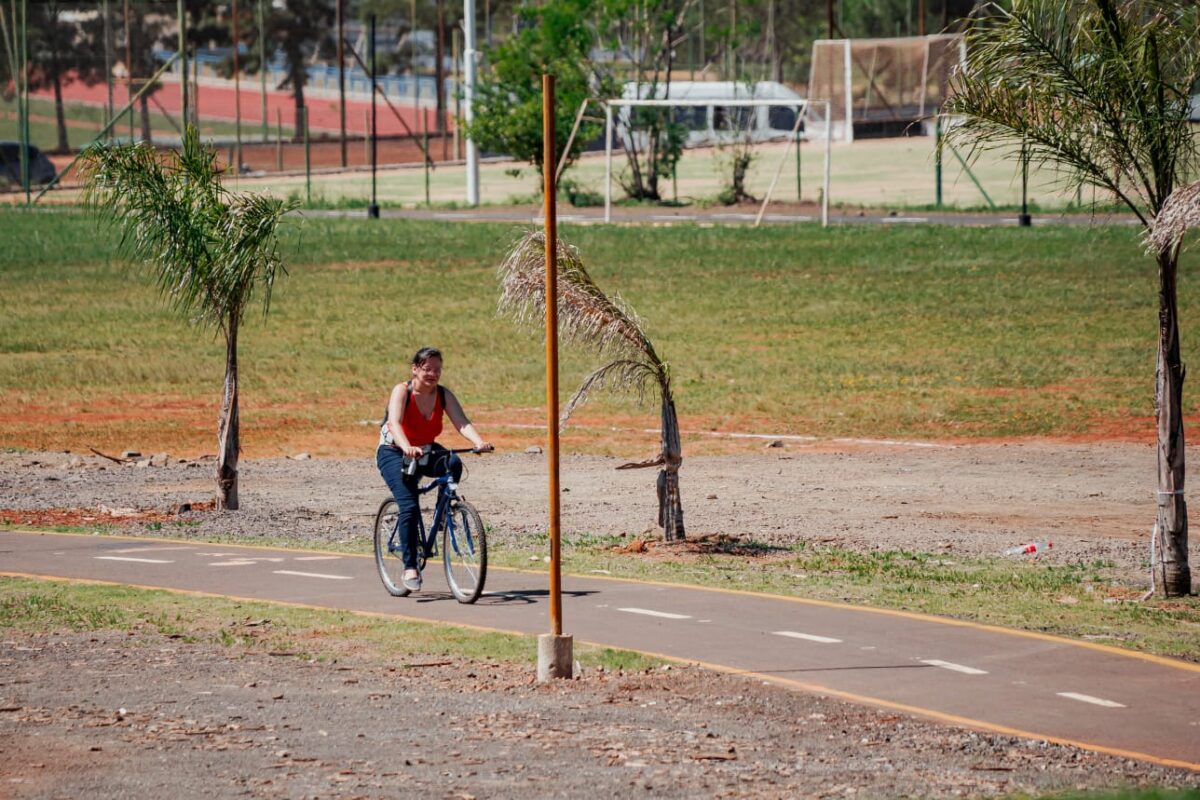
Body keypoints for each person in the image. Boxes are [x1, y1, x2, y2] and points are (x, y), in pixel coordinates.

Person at [377, 346, 493, 592]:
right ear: (415, 369)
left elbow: (461, 422)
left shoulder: (442, 394)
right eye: (427, 368)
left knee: (453, 462)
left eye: (437, 369)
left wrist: (478, 442)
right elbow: (394, 423)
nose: (432, 374)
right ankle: (410, 566)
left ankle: (444, 512)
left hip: (425, 449)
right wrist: (407, 446)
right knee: (408, 504)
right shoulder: (402, 391)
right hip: (394, 451)